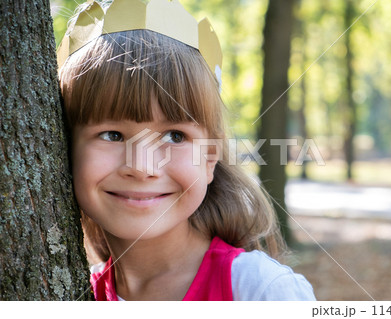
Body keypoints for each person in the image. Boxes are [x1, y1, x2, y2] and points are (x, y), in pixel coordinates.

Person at [58, 0, 315, 301]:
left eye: (174, 136)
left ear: (209, 157)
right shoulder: (75, 294)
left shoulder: (260, 290)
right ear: (65, 152)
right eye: (112, 135)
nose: (142, 167)